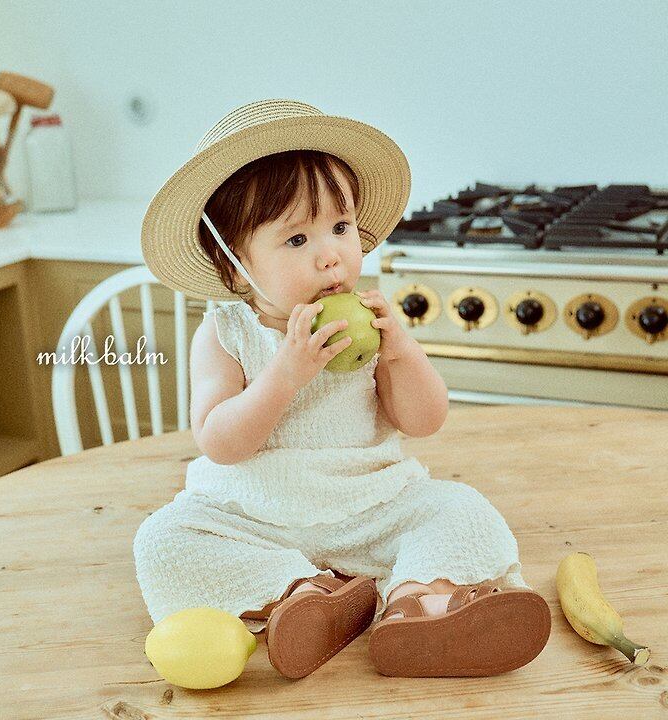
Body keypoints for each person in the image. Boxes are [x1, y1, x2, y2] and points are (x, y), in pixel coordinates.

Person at [134, 99, 551, 680]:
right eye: (296, 240)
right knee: (162, 541)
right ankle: (298, 596)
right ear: (235, 268)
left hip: (370, 509)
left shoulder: (369, 320)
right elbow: (220, 442)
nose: (330, 255)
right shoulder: (226, 334)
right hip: (255, 515)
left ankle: (417, 604)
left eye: (340, 228)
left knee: (461, 509)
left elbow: (424, 420)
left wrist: (401, 353)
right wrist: (284, 375)